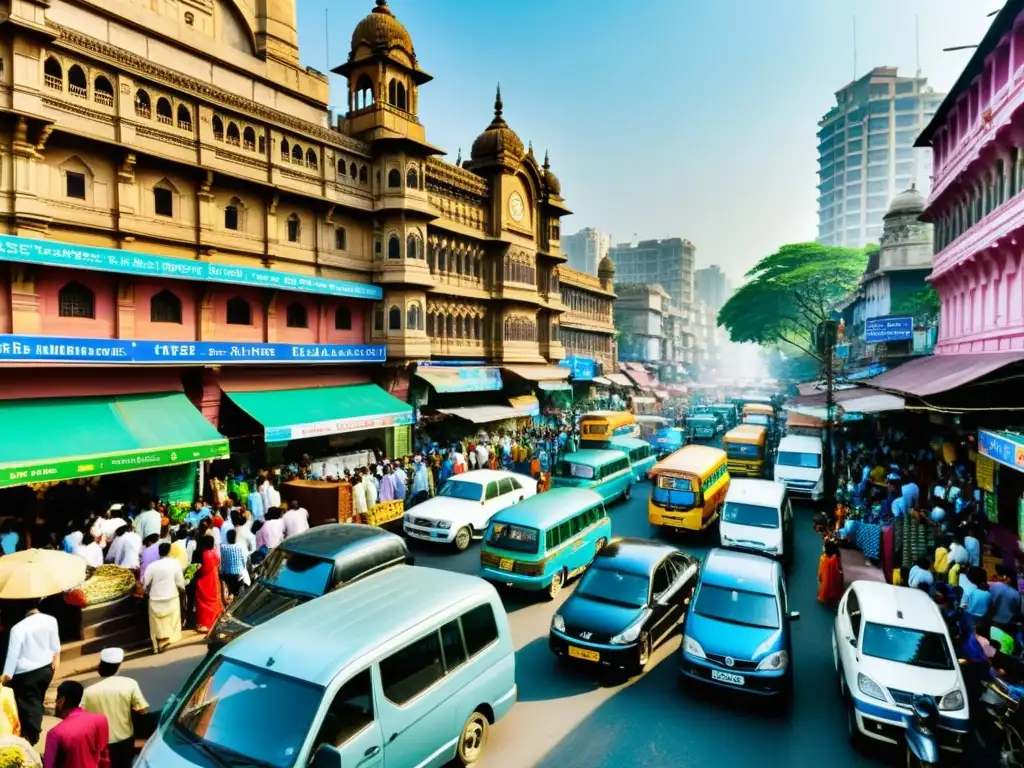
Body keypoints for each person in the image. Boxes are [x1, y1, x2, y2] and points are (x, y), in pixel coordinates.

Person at [2, 601, 60, 745]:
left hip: (26, 674)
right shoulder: (51, 620)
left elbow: (12, 655)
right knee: (37, 700)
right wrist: (55, 665)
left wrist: (5, 677)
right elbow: (56, 646)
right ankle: (33, 731)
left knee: (30, 705)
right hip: (46, 669)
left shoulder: (18, 628)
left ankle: (31, 737)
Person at [81, 648, 148, 768]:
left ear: (100, 664)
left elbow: (78, 715)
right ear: (118, 666)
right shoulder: (130, 684)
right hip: (124, 740)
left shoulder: (86, 689)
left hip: (97, 743)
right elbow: (142, 710)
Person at [44, 680, 109, 768]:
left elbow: (49, 765)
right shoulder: (101, 720)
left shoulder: (55, 733)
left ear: (61, 701)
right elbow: (105, 758)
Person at [142, 542, 185, 653]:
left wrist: (147, 592)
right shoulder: (175, 563)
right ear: (170, 551)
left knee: (157, 625)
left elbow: (145, 584)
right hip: (171, 597)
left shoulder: (152, 566)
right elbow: (180, 583)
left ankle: (158, 643)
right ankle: (166, 640)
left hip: (155, 599)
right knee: (171, 622)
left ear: (159, 552)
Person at [194, 534, 223, 633]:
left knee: (202, 602)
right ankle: (215, 621)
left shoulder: (198, 553)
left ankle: (204, 624)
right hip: (212, 579)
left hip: (202, 580)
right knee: (214, 600)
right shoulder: (213, 553)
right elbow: (218, 561)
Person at [989, 565, 1023, 633]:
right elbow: (1018, 610)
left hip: (993, 623)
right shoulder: (1016, 594)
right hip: (1008, 625)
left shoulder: (994, 586)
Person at [219, 530, 247, 600]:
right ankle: (233, 595)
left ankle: (230, 594)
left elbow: (222, 561)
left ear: (227, 538)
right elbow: (243, 561)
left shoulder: (223, 547)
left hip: (227, 574)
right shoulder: (240, 547)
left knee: (230, 586)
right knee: (237, 587)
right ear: (235, 538)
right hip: (238, 574)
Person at [817, 539, 844, 606]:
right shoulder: (835, 559)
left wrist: (819, 577)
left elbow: (821, 572)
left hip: (826, 582)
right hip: (835, 581)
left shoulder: (824, 559)